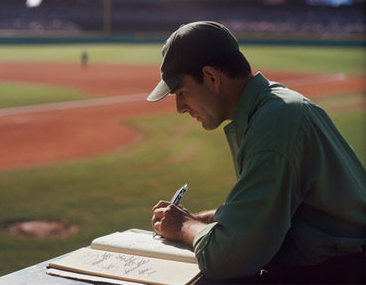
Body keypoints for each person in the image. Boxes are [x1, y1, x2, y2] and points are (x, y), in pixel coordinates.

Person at [148, 21, 365, 284]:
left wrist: (183, 227)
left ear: (212, 77)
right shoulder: (272, 107)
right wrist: (198, 219)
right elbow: (270, 207)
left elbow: (227, 257)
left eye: (181, 92)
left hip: (341, 272)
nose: (180, 107)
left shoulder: (275, 121)